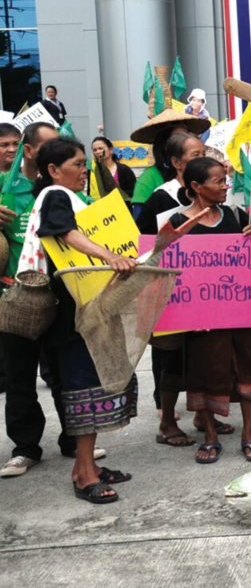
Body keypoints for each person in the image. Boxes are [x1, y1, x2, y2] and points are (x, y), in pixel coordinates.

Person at [21, 137, 139, 501]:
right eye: (76, 163)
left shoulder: (69, 198)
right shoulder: (56, 196)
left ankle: (85, 465)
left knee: (92, 384)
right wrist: (109, 256)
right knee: (83, 388)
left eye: (84, 162)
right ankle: (84, 474)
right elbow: (62, 232)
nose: (84, 170)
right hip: (70, 313)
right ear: (54, 171)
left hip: (83, 307)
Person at [0, 122, 87, 478]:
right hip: (16, 297)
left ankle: (74, 440)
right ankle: (25, 448)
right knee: (19, 377)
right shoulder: (6, 190)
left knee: (65, 374)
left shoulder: (61, 191)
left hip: (61, 297)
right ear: (32, 151)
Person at [170, 158, 251, 464]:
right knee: (204, 372)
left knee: (248, 367)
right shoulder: (177, 224)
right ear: (196, 187)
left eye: (224, 180)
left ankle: (249, 434)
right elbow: (165, 271)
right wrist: (184, 313)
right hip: (200, 320)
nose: (225, 185)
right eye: (217, 181)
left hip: (241, 313)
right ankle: (210, 436)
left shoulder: (235, 215)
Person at [136, 132, 206, 448]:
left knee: (207, 352)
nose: (201, 158)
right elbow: (145, 245)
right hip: (172, 292)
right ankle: (167, 422)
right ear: (176, 163)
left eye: (203, 152)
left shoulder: (214, 193)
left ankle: (204, 413)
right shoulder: (161, 199)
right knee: (172, 358)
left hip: (207, 290)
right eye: (193, 155)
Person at [129, 110, 210, 219]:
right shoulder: (148, 178)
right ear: (164, 144)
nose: (184, 142)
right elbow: (141, 225)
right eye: (178, 137)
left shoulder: (205, 176)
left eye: (186, 136)